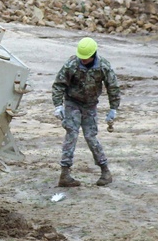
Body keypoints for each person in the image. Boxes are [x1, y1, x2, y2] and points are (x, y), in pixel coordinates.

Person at [52, 37, 121, 188]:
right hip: (72, 102)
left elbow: (113, 87)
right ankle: (64, 174)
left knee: (91, 136)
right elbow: (59, 85)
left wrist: (113, 108)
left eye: (86, 58)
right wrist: (58, 106)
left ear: (94, 54)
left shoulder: (103, 66)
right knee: (72, 133)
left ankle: (105, 171)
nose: (83, 60)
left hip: (90, 105)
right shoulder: (71, 64)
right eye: (81, 58)